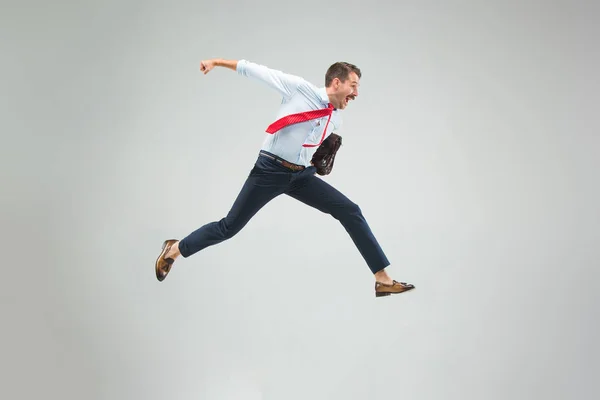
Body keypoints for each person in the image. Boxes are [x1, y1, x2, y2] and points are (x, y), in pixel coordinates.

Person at [155, 57, 415, 298]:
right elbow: (254, 70)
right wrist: (217, 62)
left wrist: (319, 158)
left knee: (350, 211)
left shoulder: (336, 120)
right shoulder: (299, 89)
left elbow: (316, 150)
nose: (357, 93)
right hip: (269, 170)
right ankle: (175, 249)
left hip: (300, 176)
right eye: (353, 86)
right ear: (337, 82)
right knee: (229, 227)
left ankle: (382, 278)